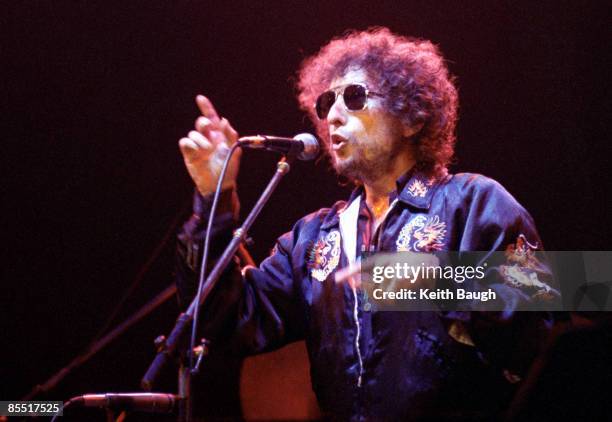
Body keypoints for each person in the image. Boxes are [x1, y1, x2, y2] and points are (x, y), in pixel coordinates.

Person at [176, 27, 558, 421]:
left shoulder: (473, 202)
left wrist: (440, 281)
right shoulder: (314, 238)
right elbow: (230, 319)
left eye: (354, 97)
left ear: (410, 117)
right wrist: (213, 199)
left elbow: (570, 291)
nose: (334, 116)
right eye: (326, 103)